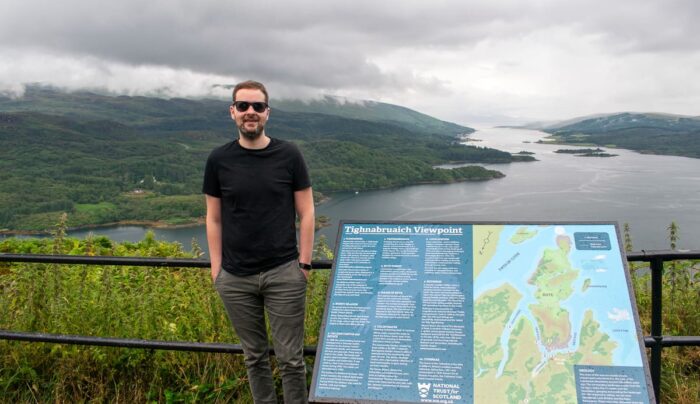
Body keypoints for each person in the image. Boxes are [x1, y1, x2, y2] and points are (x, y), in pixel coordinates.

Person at [202, 80, 314, 403]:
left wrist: (303, 266)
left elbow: (307, 213)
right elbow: (213, 217)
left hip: (284, 273)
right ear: (232, 112)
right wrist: (217, 270)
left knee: (291, 360)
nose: (250, 112)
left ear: (268, 113)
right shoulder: (218, 160)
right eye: (243, 106)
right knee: (254, 357)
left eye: (257, 107)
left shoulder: (289, 155)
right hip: (235, 278)